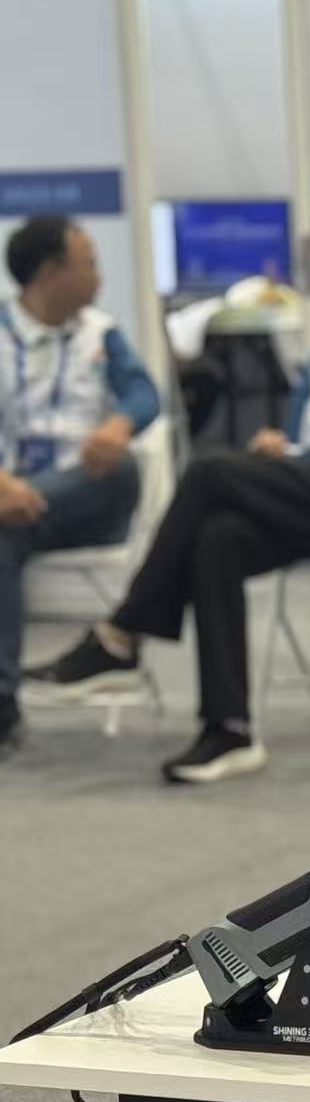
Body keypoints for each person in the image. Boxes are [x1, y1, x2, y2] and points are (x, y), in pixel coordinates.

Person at [29, 205, 310, 783]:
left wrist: (297, 456)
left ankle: (123, 633)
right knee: (220, 537)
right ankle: (228, 730)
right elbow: (309, 428)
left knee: (211, 473)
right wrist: (286, 445)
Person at [0, 217, 160, 758]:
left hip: (92, 496)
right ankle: (2, 709)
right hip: (10, 506)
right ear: (50, 273)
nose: (99, 276)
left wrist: (118, 426)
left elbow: (144, 395)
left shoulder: (100, 333)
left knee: (120, 468)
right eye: (88, 264)